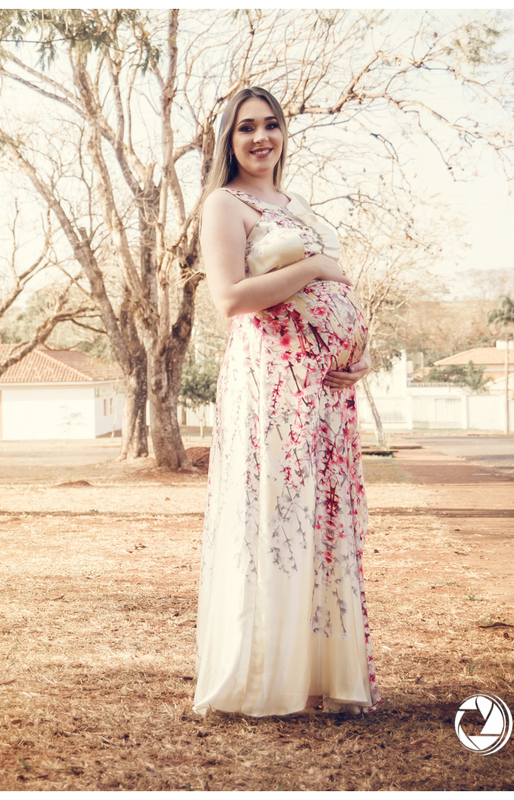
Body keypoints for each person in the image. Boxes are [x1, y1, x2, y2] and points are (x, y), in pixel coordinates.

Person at [193, 86, 382, 717]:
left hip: (326, 396)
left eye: (270, 125)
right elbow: (230, 299)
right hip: (273, 388)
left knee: (320, 523)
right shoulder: (224, 204)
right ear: (227, 139)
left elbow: (333, 295)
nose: (260, 138)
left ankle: (316, 672)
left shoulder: (294, 203)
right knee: (274, 519)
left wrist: (357, 356)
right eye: (245, 128)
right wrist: (316, 268)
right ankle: (266, 676)